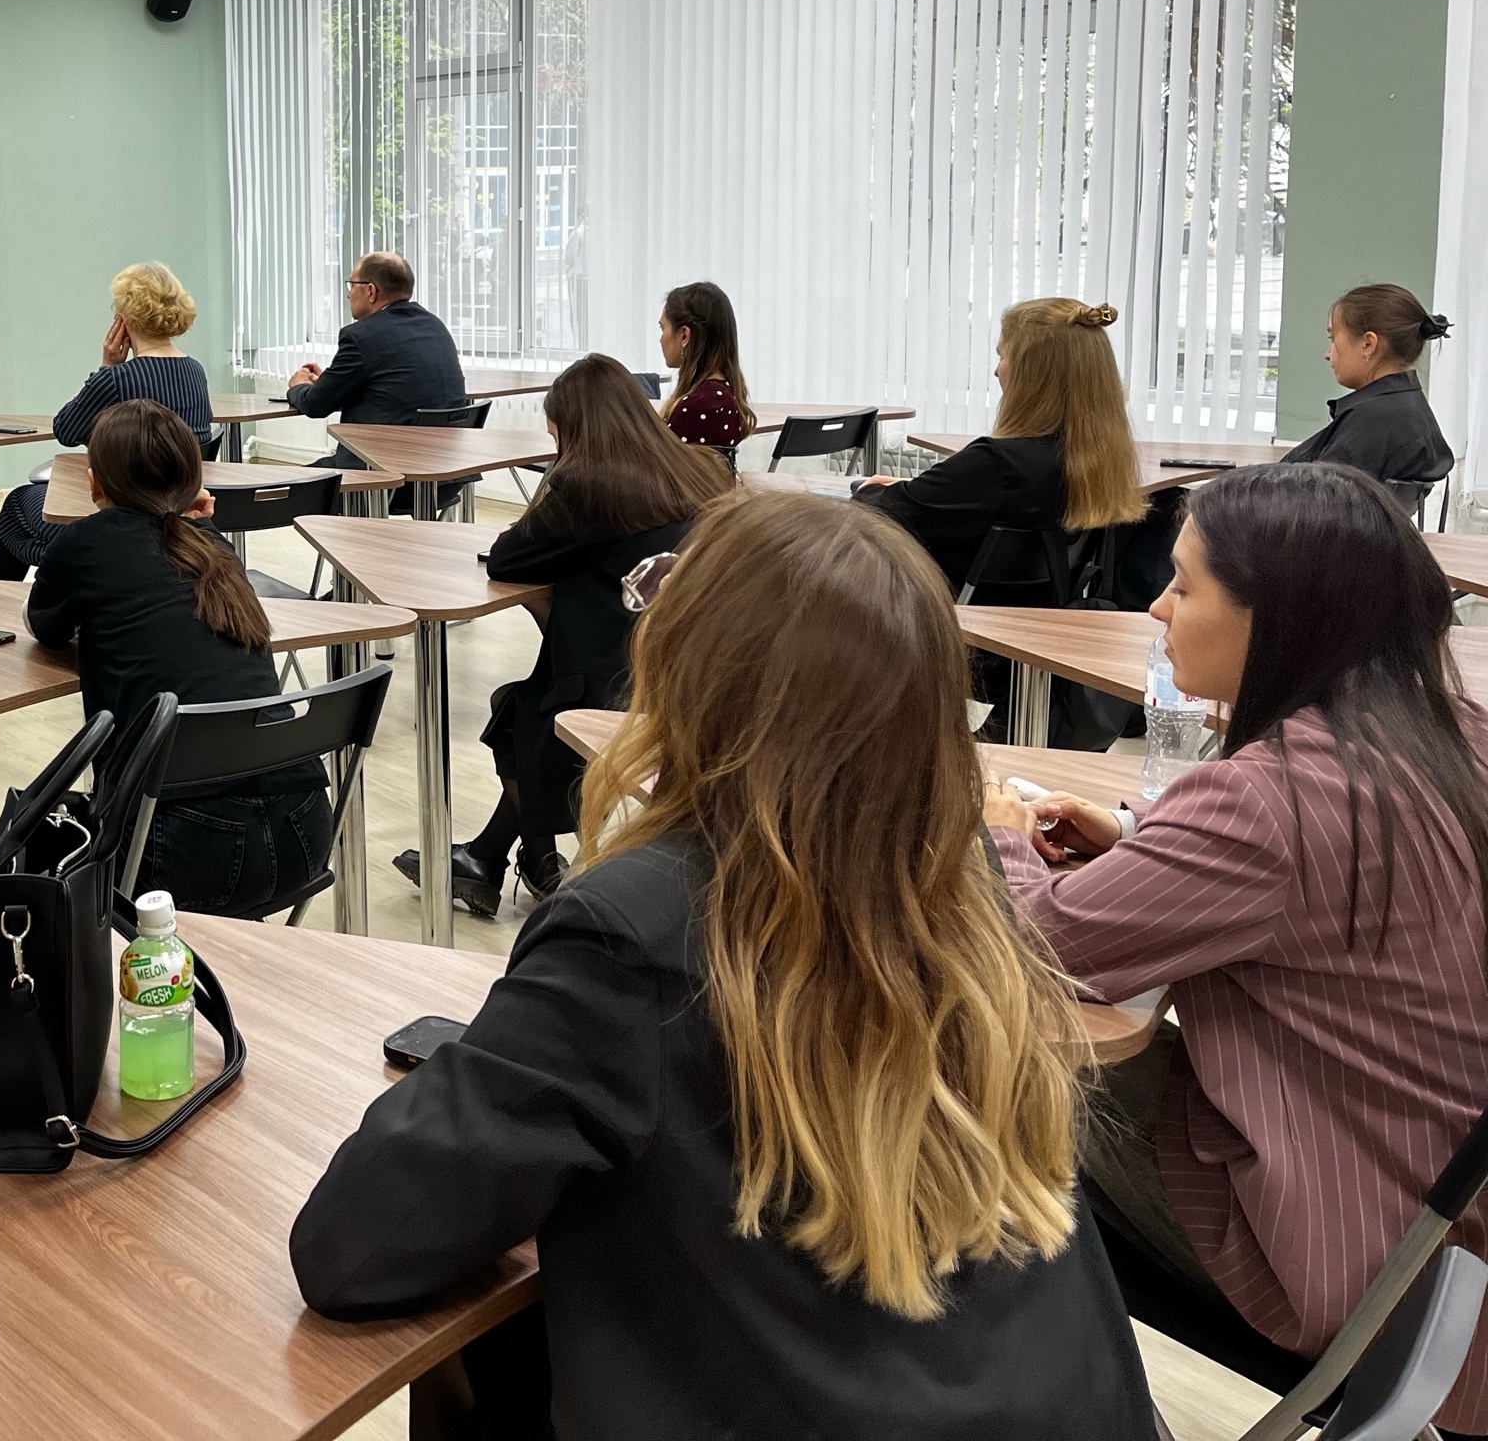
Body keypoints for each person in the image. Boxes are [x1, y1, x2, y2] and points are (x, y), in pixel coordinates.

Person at [294, 492, 1150, 1440]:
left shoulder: (637, 931)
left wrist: (509, 1071)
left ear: (688, 677)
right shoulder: (959, 873)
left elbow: (352, 1248)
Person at [987, 461, 1488, 1436]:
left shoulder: (1270, 800)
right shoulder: (1452, 732)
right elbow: (1307, 887)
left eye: (1183, 585)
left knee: (979, 1083)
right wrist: (1139, 842)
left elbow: (1041, 942)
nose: (1157, 607)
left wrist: (1002, 835)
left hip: (1344, 1255)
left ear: (1277, 618)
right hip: (1445, 1235)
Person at [392, 353, 731, 916]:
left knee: (521, 719)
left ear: (576, 430)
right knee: (519, 708)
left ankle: (521, 867)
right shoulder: (694, 469)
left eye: (557, 437)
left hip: (613, 679)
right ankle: (501, 861)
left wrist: (551, 495)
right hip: (681, 666)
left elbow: (507, 558)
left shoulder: (590, 484)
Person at [25, 399, 329, 916]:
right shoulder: (216, 549)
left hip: (183, 845)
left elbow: (46, 627)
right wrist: (200, 523)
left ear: (95, 485)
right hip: (307, 832)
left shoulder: (84, 543)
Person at [857, 296, 1144, 593]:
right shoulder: (1096, 460)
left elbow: (881, 513)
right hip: (1037, 610)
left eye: (1002, 357)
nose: (997, 371)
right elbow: (952, 497)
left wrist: (870, 489)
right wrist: (921, 488)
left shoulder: (995, 464)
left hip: (954, 614)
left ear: (1033, 372)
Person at [0, 262, 217, 581]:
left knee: (18, 503)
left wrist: (106, 366)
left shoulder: (117, 379)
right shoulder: (195, 371)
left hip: (120, 521)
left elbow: (65, 430)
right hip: (179, 520)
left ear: (124, 319)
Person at [1281, 281, 1455, 513]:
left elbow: (1318, 510)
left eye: (1333, 339)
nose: (1328, 354)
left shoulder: (1375, 420)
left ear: (1368, 344)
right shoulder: (1408, 408)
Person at [284, 251, 466, 455]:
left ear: (371, 291)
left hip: (381, 465)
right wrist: (330, 383)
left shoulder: (360, 336)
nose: (348, 294)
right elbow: (390, 388)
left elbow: (315, 405)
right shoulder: (434, 326)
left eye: (352, 285)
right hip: (442, 464)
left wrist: (299, 385)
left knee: (280, 476)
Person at [657, 281, 753, 451]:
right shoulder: (727, 395)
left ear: (684, 335)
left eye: (662, 328)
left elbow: (663, 465)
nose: (661, 339)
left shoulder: (695, 407)